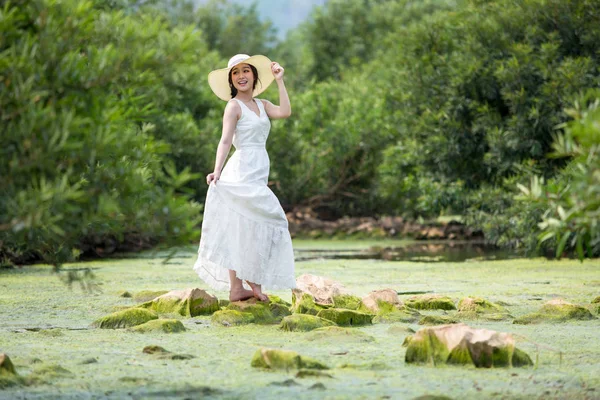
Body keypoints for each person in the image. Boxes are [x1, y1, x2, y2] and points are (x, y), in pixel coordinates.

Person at [193, 54, 296, 302]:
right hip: (240, 170)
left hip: (258, 171)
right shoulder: (233, 106)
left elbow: (285, 112)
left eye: (246, 71)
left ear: (254, 75)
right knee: (244, 224)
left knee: (255, 225)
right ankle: (242, 287)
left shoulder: (263, 105)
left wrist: (280, 80)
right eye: (236, 72)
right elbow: (225, 140)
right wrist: (216, 170)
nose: (241, 76)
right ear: (231, 79)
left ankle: (243, 286)